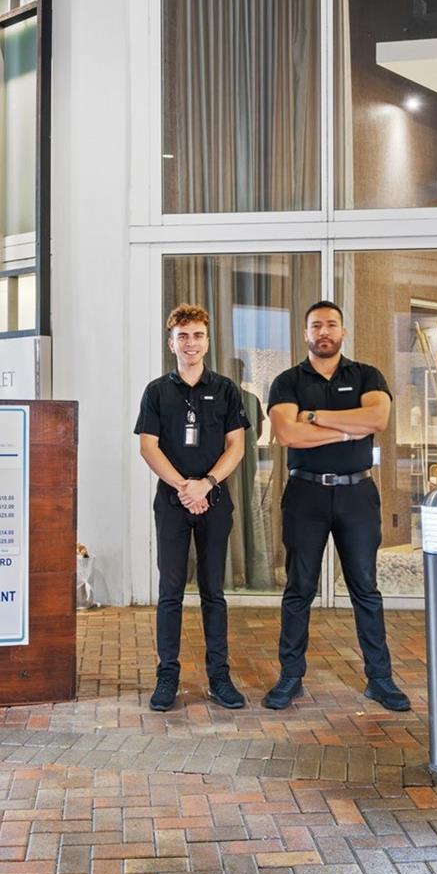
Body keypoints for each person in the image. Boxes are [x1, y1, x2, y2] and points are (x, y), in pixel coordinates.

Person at [262, 300, 409, 713]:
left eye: (331, 325)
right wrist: (349, 428)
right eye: (315, 326)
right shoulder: (287, 381)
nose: (323, 332)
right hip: (305, 495)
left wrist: (316, 418)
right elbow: (289, 434)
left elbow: (378, 421)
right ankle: (290, 677)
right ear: (305, 334)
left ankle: (380, 679)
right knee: (299, 589)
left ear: (342, 332)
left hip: (357, 495)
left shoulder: (367, 374)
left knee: (365, 587)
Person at [134, 304, 249, 712]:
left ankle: (220, 677)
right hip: (172, 502)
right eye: (183, 336)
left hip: (215, 500)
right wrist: (184, 486)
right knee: (170, 592)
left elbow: (236, 445)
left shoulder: (226, 389)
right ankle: (168, 676)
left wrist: (207, 483)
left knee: (214, 592)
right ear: (171, 344)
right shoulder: (157, 391)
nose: (191, 343)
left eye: (198, 335)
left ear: (207, 341)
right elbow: (148, 446)